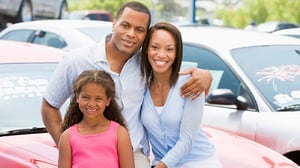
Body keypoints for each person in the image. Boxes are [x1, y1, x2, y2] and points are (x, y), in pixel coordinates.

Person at [41, 1, 212, 167]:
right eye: (125, 25)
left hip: (134, 155)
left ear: (145, 35)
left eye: (139, 30)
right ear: (113, 24)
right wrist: (68, 147)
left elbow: (172, 68)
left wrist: (206, 75)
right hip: (88, 155)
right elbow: (49, 105)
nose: (131, 34)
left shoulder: (146, 63)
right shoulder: (77, 60)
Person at [140, 22, 222, 168]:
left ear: (177, 53)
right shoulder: (140, 86)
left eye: (169, 49)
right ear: (146, 49)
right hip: (160, 163)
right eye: (155, 47)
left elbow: (187, 140)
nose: (161, 55)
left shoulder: (191, 83)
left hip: (198, 162)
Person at [58, 70, 134, 168]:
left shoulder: (120, 134)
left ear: (108, 101)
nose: (91, 104)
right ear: (77, 97)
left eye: (98, 99)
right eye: (86, 97)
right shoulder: (67, 137)